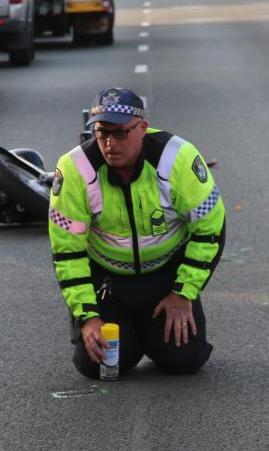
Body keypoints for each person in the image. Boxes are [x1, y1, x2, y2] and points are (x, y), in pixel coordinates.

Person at [49, 88, 225, 378]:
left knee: (184, 361)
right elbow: (68, 252)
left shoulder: (178, 158)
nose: (109, 143)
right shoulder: (75, 169)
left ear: (142, 128)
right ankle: (132, 334)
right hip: (108, 281)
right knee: (102, 366)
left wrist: (184, 293)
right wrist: (88, 316)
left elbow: (210, 230)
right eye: (101, 132)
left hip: (165, 277)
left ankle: (153, 332)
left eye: (120, 133)